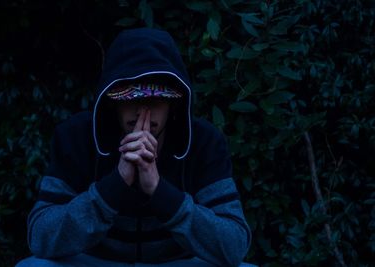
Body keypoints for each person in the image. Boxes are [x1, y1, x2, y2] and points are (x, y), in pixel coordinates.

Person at [16, 28, 253, 267]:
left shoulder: (204, 141)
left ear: (173, 104)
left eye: (155, 99)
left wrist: (160, 191)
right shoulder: (76, 137)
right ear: (111, 102)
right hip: (96, 262)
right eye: (129, 97)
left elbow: (235, 245)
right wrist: (115, 185)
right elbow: (40, 237)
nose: (142, 111)